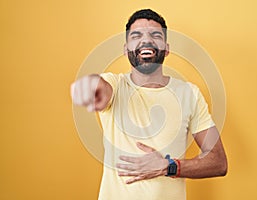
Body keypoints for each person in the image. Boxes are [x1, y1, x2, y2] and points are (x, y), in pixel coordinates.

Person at [71, 9, 227, 200]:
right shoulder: (116, 85)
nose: (146, 40)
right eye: (136, 35)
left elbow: (218, 162)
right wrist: (90, 87)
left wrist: (169, 167)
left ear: (166, 48)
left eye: (155, 35)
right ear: (126, 48)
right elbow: (100, 87)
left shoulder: (189, 93)